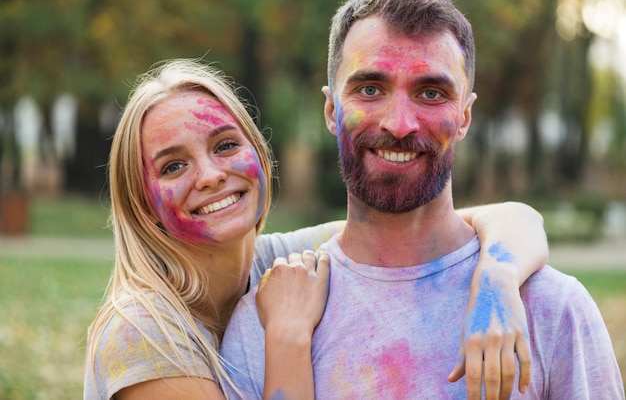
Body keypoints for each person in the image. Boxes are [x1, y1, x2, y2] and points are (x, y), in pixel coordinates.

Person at [220, 0, 625, 399]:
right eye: (370, 89)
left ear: (464, 117)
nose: (399, 124)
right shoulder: (268, 322)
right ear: (330, 110)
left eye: (431, 93)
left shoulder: (552, 311)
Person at [83, 58, 547, 400]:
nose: (209, 175)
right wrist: (287, 335)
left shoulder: (281, 261)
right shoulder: (141, 333)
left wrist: (497, 283)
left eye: (225, 145)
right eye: (174, 166)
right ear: (143, 206)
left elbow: (510, 218)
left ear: (259, 157)